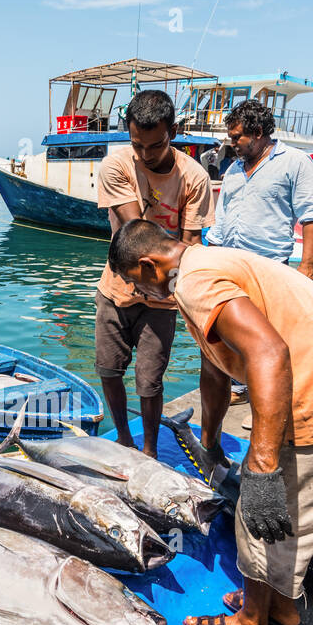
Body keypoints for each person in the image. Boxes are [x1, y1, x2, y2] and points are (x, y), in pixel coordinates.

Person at [107, 219, 313, 625]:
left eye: (140, 286)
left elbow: (269, 351)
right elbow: (216, 370)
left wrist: (262, 463)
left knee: (260, 514)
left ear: (151, 266)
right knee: (290, 516)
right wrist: (209, 443)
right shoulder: (206, 264)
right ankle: (280, 609)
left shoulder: (193, 281)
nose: (144, 297)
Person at [94, 88, 214, 457]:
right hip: (115, 289)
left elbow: (190, 246)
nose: (145, 154)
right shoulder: (116, 165)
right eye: (138, 145)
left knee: (149, 382)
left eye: (156, 145)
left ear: (173, 132)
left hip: (162, 300)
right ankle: (124, 440)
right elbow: (135, 236)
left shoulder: (194, 178)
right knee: (109, 370)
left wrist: (176, 293)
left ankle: (148, 450)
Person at [205, 99, 313, 281]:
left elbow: (311, 214)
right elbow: (221, 219)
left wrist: (307, 264)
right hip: (230, 266)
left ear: (258, 133)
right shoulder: (233, 170)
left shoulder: (295, 162)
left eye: (237, 137)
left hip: (270, 269)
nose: (233, 143)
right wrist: (209, 264)